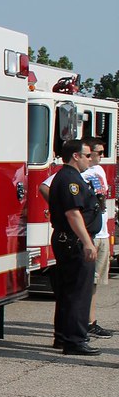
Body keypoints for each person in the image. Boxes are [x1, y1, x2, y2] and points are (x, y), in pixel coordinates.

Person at [48, 140, 102, 355]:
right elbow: (73, 213)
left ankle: (63, 337)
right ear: (75, 156)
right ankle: (75, 340)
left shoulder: (68, 177)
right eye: (87, 155)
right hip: (74, 241)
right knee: (79, 293)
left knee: (68, 292)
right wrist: (87, 243)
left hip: (69, 240)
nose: (91, 159)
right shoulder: (70, 179)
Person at [82, 140, 113, 338]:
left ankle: (91, 321)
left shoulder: (99, 171)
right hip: (89, 235)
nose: (101, 156)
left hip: (102, 234)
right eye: (98, 152)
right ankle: (84, 322)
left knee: (94, 283)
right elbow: (46, 187)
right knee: (85, 282)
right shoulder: (77, 173)